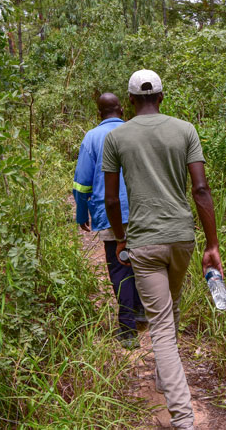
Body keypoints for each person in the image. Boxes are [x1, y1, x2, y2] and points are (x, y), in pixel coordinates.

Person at [102, 70, 223, 430]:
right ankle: (163, 378)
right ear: (162, 97)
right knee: (170, 306)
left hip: (144, 242)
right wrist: (212, 244)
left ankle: (183, 419)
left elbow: (111, 198)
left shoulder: (117, 136)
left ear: (130, 102)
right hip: (182, 240)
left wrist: (121, 237)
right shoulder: (185, 130)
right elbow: (201, 190)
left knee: (160, 327)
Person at [73, 92, 145, 349]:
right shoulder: (136, 132)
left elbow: (82, 183)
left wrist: (82, 214)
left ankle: (127, 329)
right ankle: (140, 311)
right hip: (142, 211)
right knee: (140, 262)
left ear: (98, 114)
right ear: (122, 110)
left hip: (110, 212)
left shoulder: (92, 137)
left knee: (119, 265)